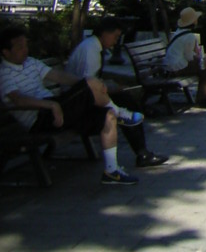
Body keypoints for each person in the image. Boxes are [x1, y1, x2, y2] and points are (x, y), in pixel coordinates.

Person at [0, 23, 139, 184]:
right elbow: (18, 100)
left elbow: (59, 77)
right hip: (40, 118)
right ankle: (121, 113)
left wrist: (88, 85)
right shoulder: (3, 73)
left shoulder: (31, 62)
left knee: (108, 116)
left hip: (55, 110)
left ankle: (112, 170)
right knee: (90, 84)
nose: (25, 50)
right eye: (20, 47)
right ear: (5, 52)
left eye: (26, 45)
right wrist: (52, 105)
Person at [65, 18, 168, 168]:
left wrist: (112, 87)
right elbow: (88, 86)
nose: (116, 41)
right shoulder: (90, 50)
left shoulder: (93, 46)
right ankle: (142, 153)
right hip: (77, 104)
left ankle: (142, 152)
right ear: (104, 33)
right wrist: (111, 90)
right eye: (115, 36)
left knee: (126, 101)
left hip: (81, 98)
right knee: (126, 104)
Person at [163, 7, 206, 108]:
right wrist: (196, 54)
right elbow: (189, 57)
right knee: (204, 69)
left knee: (205, 65)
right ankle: (204, 98)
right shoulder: (190, 36)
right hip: (176, 68)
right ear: (193, 21)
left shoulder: (178, 32)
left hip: (170, 66)